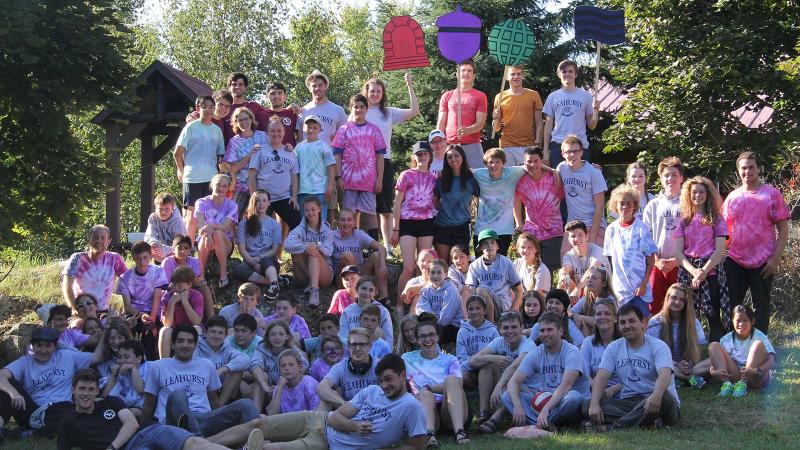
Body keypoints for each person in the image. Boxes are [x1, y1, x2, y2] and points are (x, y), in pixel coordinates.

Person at [202, 353, 427, 450]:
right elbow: (337, 417)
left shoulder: (411, 407)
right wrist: (356, 426)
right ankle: (200, 443)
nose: (384, 385)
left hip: (327, 445)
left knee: (265, 448)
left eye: (389, 380)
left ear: (401, 374)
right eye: (381, 380)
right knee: (258, 423)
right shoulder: (372, 391)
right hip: (318, 420)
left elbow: (418, 447)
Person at [58, 369, 239, 450]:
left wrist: (112, 447)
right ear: (73, 389)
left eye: (91, 389)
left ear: (97, 391)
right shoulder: (70, 423)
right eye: (82, 389)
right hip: (130, 448)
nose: (86, 394)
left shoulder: (110, 402)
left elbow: (131, 424)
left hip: (150, 430)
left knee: (194, 444)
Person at [142, 324, 260, 438]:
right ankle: (200, 441)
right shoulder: (157, 367)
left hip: (204, 418)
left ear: (195, 345)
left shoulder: (206, 365)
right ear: (172, 344)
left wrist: (220, 417)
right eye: (180, 341)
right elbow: (149, 403)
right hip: (174, 421)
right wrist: (143, 432)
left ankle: (259, 441)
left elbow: (213, 400)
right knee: (178, 395)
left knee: (246, 404)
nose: (185, 345)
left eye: (190, 341)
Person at [583, 303, 680, 431]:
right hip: (629, 402)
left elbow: (665, 375)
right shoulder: (615, 347)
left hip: (657, 400)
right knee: (586, 405)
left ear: (642, 323)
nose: (627, 326)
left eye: (632, 321)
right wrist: (594, 404)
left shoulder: (658, 346)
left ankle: (613, 427)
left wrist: (655, 396)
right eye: (623, 322)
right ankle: (646, 422)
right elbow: (601, 377)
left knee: (665, 397)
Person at [722, 151, 789, 334]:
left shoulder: (771, 195)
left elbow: (783, 230)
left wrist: (775, 259)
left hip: (763, 262)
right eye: (743, 168)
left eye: (751, 167)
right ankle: (731, 347)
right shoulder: (732, 198)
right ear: (738, 171)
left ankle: (760, 349)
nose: (747, 171)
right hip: (735, 261)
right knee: (731, 307)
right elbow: (724, 232)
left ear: (758, 169)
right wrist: (720, 255)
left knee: (761, 308)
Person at [0, 328, 103, 438]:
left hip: (62, 408)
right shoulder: (25, 362)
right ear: (33, 346)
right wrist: (14, 393)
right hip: (34, 412)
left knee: (72, 415)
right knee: (7, 385)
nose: (43, 350)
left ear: (55, 346)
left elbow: (97, 357)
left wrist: (106, 334)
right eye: (39, 345)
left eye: (48, 346)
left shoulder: (67, 356)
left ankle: (33, 433)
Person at [503, 312, 587, 437]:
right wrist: (517, 406)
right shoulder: (536, 353)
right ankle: (546, 426)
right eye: (542, 330)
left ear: (560, 331)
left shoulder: (572, 351)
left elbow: (566, 386)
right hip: (544, 402)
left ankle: (536, 425)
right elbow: (513, 382)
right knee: (506, 396)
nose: (545, 334)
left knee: (573, 397)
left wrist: (545, 410)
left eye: (549, 330)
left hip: (565, 401)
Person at [363, 75, 420, 255]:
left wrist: (409, 85)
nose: (375, 94)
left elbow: (414, 110)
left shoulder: (388, 112)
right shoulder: (359, 111)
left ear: (383, 94)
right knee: (366, 207)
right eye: (372, 91)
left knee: (385, 207)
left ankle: (387, 247)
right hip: (363, 162)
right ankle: (368, 245)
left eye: (379, 91)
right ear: (366, 92)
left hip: (384, 162)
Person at [402, 312, 471, 446]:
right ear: (417, 339)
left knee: (451, 380)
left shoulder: (450, 359)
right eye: (423, 336)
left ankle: (460, 432)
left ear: (438, 337)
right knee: (426, 395)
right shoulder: (406, 358)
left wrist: (430, 387)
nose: (427, 339)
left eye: (431, 335)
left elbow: (458, 384)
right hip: (425, 407)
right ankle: (429, 435)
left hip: (451, 409)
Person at [675, 176, 730, 342]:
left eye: (701, 192)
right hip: (688, 272)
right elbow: (678, 253)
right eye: (694, 192)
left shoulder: (717, 219)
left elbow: (720, 250)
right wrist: (694, 272)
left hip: (710, 271)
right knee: (688, 317)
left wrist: (703, 272)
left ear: (708, 194)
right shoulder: (684, 220)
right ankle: (692, 353)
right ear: (688, 195)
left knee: (712, 315)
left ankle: (717, 352)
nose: (697, 195)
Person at [472, 311, 536, 434]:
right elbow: (473, 361)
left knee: (510, 382)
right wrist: (493, 358)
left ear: (522, 328)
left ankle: (496, 419)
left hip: (525, 387)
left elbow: (515, 366)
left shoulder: (528, 344)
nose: (509, 331)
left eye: (514, 327)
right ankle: (483, 414)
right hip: (504, 385)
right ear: (500, 330)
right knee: (487, 366)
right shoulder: (499, 341)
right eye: (505, 328)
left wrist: (499, 386)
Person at [332, 93, 386, 233]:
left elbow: (380, 156)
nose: (359, 109)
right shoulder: (344, 129)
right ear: (351, 108)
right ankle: (347, 247)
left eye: (362, 106)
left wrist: (379, 179)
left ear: (366, 109)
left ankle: (371, 251)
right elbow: (337, 155)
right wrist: (338, 177)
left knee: (370, 215)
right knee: (347, 216)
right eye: (355, 107)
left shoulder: (374, 130)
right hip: (348, 182)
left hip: (368, 182)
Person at [392, 142, 438, 304]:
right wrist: (395, 229)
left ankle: (422, 303)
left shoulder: (434, 178)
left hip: (427, 223)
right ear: (414, 157)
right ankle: (399, 304)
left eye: (425, 154)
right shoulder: (406, 175)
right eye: (419, 154)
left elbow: (436, 202)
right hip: (407, 223)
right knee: (409, 267)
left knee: (424, 267)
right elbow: (397, 204)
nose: (422, 157)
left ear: (430, 156)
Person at [174, 95, 225, 240]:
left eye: (211, 107)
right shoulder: (191, 127)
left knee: (210, 214)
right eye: (204, 107)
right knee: (192, 215)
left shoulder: (217, 130)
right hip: (193, 177)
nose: (208, 110)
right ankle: (187, 248)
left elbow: (221, 156)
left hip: (211, 178)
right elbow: (177, 153)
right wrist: (182, 172)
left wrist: (224, 174)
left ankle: (207, 248)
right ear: (198, 109)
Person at [604, 184, 658, 318]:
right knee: (623, 323)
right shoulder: (611, 229)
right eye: (622, 203)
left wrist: (644, 285)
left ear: (634, 206)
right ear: (615, 205)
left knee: (641, 323)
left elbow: (651, 260)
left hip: (639, 289)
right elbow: (609, 262)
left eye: (629, 204)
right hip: (620, 290)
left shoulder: (641, 228)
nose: (625, 207)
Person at [642, 156, 685, 314]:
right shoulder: (653, 205)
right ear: (661, 178)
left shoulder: (688, 203)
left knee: (681, 308)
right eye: (666, 175)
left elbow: (694, 237)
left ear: (681, 178)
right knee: (656, 308)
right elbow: (646, 238)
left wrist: (677, 261)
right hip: (657, 264)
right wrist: (657, 260)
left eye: (674, 175)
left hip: (681, 264)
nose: (670, 178)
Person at [646, 283, 710, 388]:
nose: (677, 302)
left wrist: (690, 363)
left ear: (686, 303)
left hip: (689, 366)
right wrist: (675, 364)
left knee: (713, 361)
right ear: (667, 299)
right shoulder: (655, 322)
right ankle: (689, 379)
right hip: (665, 364)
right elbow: (652, 352)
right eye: (673, 298)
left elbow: (699, 349)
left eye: (681, 300)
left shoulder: (694, 323)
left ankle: (676, 378)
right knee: (657, 363)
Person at [709, 304, 776, 398]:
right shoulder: (726, 339)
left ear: (752, 321)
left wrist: (756, 370)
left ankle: (743, 385)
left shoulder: (760, 336)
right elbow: (714, 361)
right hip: (737, 374)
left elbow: (771, 360)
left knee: (757, 344)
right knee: (713, 345)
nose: (741, 324)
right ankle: (727, 385)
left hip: (756, 376)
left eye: (745, 320)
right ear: (732, 321)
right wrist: (713, 372)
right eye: (738, 320)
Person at [514, 146, 564, 270]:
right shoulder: (521, 180)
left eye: (536, 161)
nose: (532, 164)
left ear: (541, 161)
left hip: (553, 230)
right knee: (532, 268)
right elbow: (516, 202)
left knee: (549, 268)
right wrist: (519, 223)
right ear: (524, 163)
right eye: (529, 161)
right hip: (532, 231)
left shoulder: (554, 178)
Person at [556, 135, 607, 255]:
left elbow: (600, 206)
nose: (572, 155)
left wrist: (592, 235)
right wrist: (555, 170)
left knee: (598, 262)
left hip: (594, 223)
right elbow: (550, 170)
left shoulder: (594, 172)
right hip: (574, 224)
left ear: (581, 152)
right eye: (568, 152)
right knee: (565, 257)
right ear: (563, 154)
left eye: (575, 151)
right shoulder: (562, 168)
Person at [248, 116, 301, 230]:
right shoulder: (259, 150)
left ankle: (296, 247)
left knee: (298, 226)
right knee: (260, 230)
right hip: (264, 198)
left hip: (284, 197)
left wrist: (294, 196)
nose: (276, 134)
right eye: (272, 131)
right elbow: (252, 176)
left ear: (284, 132)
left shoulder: (291, 152)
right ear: (267, 133)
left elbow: (294, 177)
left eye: (279, 131)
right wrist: (254, 197)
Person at [542, 59, 600, 166]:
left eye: (570, 71)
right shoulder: (553, 97)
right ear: (559, 75)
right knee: (558, 180)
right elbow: (548, 125)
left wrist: (596, 111)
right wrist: (545, 150)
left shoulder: (585, 96)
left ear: (576, 74)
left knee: (580, 180)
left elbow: (592, 125)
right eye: (564, 72)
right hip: (558, 146)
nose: (567, 74)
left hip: (579, 146)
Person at [472, 148, 527, 255]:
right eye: (490, 162)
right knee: (481, 263)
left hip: (504, 229)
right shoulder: (479, 174)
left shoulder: (512, 173)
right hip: (482, 229)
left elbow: (531, 166)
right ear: (485, 164)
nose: (494, 165)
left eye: (498, 162)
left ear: (504, 163)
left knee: (500, 265)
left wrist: (553, 171)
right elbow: (462, 171)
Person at [62, 224, 127, 313]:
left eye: (102, 238)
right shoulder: (77, 258)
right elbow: (67, 286)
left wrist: (128, 307)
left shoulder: (115, 259)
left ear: (108, 241)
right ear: (89, 239)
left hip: (104, 311)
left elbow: (128, 282)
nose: (98, 241)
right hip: (82, 311)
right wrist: (74, 309)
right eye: (95, 237)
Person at [456, 296, 500, 425]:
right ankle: (463, 414)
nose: (474, 312)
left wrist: (482, 360)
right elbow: (462, 361)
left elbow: (497, 356)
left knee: (486, 366)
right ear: (467, 312)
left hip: (488, 370)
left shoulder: (492, 331)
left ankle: (484, 412)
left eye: (478, 308)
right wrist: (477, 361)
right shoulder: (462, 332)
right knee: (459, 375)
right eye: (471, 309)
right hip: (470, 372)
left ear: (484, 311)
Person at [437, 59, 488, 169]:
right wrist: (439, 143)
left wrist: (468, 130)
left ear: (474, 75)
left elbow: (480, 123)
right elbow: (441, 123)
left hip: (472, 144)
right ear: (457, 74)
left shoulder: (480, 96)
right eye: (463, 70)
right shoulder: (447, 96)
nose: (466, 73)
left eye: (469, 71)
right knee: (449, 178)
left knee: (479, 177)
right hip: (450, 145)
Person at [434, 145, 480, 263]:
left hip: (462, 226)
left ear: (462, 157)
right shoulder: (441, 178)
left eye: (456, 156)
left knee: (457, 263)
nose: (453, 159)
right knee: (443, 262)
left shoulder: (471, 179)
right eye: (449, 157)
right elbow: (435, 201)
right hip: (442, 226)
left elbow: (482, 198)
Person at [465, 228, 523, 322]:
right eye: (485, 243)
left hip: (503, 305)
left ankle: (490, 325)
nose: (489, 246)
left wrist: (514, 309)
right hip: (482, 306)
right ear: (480, 247)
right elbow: (471, 291)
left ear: (498, 246)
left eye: (492, 242)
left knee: (481, 289)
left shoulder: (506, 263)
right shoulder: (474, 266)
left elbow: (519, 290)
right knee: (473, 291)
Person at [285, 196, 334, 306]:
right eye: (307, 210)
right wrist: (307, 246)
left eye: (313, 209)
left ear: (319, 209)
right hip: (303, 276)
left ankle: (314, 291)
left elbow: (328, 252)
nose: (310, 213)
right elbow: (287, 244)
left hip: (324, 275)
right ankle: (311, 281)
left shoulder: (328, 231)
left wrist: (316, 246)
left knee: (313, 252)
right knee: (297, 251)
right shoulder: (300, 228)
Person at [250, 321, 309, 412]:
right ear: (268, 337)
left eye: (281, 334)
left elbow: (304, 364)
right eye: (273, 334)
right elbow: (255, 364)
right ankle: (255, 417)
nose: (277, 338)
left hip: (287, 386)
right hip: (268, 389)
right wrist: (264, 385)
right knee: (261, 378)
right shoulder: (262, 348)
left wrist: (290, 378)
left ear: (287, 336)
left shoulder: (292, 349)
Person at [330, 208, 389, 300]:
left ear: (354, 222)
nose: (346, 223)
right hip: (342, 277)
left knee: (376, 255)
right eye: (342, 220)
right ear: (337, 222)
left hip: (359, 274)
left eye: (349, 220)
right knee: (347, 255)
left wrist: (382, 264)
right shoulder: (332, 236)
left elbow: (381, 248)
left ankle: (384, 298)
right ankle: (357, 295)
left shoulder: (359, 234)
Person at [116, 240, 168, 342]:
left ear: (150, 256)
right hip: (135, 313)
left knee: (149, 335)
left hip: (154, 312)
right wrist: (141, 315)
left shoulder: (158, 271)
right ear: (133, 257)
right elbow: (127, 306)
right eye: (138, 258)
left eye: (145, 258)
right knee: (127, 331)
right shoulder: (125, 278)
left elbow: (156, 298)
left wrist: (151, 320)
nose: (142, 262)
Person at [234, 190, 282, 297]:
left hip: (269, 263)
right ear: (252, 203)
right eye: (257, 201)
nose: (261, 204)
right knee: (239, 270)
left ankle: (274, 287)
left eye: (264, 200)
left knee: (266, 260)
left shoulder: (275, 225)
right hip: (249, 262)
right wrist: (253, 263)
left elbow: (275, 249)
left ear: (269, 203)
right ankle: (272, 281)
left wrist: (260, 259)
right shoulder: (243, 224)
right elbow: (242, 249)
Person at [492, 65, 544, 165]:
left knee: (527, 178)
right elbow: (497, 128)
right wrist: (495, 118)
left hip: (528, 145)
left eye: (519, 74)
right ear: (507, 77)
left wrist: (538, 143)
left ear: (522, 76)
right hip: (507, 145)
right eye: (512, 74)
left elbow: (539, 122)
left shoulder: (533, 95)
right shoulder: (499, 97)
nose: (516, 77)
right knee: (509, 178)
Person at [193, 316, 251, 406]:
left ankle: (220, 407)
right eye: (213, 332)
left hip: (220, 392)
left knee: (237, 371)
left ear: (225, 335)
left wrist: (223, 369)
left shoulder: (226, 348)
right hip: (200, 388)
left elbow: (245, 359)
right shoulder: (196, 346)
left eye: (220, 333)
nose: (216, 336)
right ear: (205, 332)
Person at [317, 328, 379, 410]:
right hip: (348, 413)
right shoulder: (340, 367)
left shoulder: (379, 365)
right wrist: (342, 403)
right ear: (349, 346)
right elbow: (321, 387)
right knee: (325, 400)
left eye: (362, 344)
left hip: (375, 412)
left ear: (370, 346)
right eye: (354, 345)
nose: (357, 348)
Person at [195, 173, 238, 289]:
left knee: (218, 233)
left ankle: (223, 276)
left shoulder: (232, 205)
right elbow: (200, 224)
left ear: (228, 188)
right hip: (205, 242)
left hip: (225, 242)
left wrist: (210, 228)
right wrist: (208, 233)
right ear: (211, 185)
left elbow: (224, 227)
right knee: (206, 235)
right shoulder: (201, 202)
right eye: (218, 185)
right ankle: (202, 275)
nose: (221, 188)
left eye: (224, 186)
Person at [224, 106, 267, 216]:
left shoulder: (263, 136)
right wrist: (250, 154)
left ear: (251, 119)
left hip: (262, 186)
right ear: (236, 123)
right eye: (240, 120)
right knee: (232, 218)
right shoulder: (234, 142)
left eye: (246, 119)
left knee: (260, 220)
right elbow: (232, 169)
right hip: (242, 187)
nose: (244, 122)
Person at [162, 234, 214, 319]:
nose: (182, 251)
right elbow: (168, 284)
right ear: (173, 249)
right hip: (173, 289)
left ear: (190, 250)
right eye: (179, 248)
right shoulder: (167, 262)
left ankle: (211, 319)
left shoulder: (194, 262)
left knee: (205, 289)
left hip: (191, 288)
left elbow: (196, 282)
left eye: (186, 248)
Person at [158, 267, 204, 358]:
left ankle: (195, 364)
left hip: (191, 328)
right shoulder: (167, 296)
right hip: (175, 329)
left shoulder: (196, 296)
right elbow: (167, 324)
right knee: (164, 331)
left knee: (197, 329)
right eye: (174, 284)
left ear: (189, 284)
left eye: (179, 285)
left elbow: (196, 321)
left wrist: (185, 302)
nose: (175, 288)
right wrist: (171, 303)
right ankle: (164, 364)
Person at [416, 259, 465, 345]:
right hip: (433, 324)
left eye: (439, 273)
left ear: (445, 274)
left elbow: (445, 319)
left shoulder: (451, 290)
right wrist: (428, 321)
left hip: (452, 327)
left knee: (434, 333)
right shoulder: (426, 290)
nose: (435, 276)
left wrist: (431, 322)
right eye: (433, 272)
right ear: (428, 273)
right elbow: (422, 310)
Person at [295, 115, 336, 218]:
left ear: (320, 129)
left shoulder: (324, 146)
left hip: (320, 191)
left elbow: (331, 167)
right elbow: (295, 170)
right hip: (303, 191)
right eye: (309, 127)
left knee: (320, 222)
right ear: (304, 129)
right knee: (304, 222)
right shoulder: (299, 147)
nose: (311, 130)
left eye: (315, 127)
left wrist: (330, 186)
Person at [580, 299, 622, 400]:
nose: (602, 317)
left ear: (615, 318)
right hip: (596, 392)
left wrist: (613, 390)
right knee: (585, 406)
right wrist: (595, 387)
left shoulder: (624, 342)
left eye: (607, 313)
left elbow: (634, 376)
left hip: (621, 392)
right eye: (599, 314)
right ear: (594, 319)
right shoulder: (588, 342)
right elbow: (584, 374)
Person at [558, 220, 610, 298]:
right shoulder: (569, 255)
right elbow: (565, 269)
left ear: (587, 237)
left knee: (592, 278)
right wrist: (562, 276)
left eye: (580, 235)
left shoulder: (597, 250)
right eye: (573, 236)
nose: (577, 239)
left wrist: (577, 289)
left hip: (603, 293)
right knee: (563, 281)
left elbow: (592, 269)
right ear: (569, 240)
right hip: (583, 294)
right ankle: (564, 306)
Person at [339, 276, 394, 349]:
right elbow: (342, 337)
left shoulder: (383, 311)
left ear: (375, 293)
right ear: (357, 289)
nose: (367, 293)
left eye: (371, 290)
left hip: (376, 353)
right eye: (364, 288)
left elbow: (388, 339)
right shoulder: (348, 312)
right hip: (353, 351)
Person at [100, 340, 150, 418]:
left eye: (126, 357)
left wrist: (133, 369)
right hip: (125, 410)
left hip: (145, 412)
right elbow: (105, 397)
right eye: (119, 357)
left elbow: (141, 390)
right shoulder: (121, 374)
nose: (122, 360)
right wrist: (114, 375)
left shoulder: (149, 368)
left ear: (139, 358)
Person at [296, 70, 348, 144]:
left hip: (330, 154)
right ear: (309, 89)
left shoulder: (338, 110)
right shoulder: (302, 111)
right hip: (307, 155)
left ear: (325, 86)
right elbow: (299, 138)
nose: (317, 88)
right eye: (314, 86)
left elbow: (345, 136)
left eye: (320, 85)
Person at [267, 349, 320, 415]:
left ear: (300, 367)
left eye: (291, 364)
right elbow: (271, 414)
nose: (287, 368)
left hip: (308, 421)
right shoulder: (280, 387)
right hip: (287, 423)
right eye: (283, 366)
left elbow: (317, 412)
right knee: (262, 418)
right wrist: (279, 388)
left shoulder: (309, 383)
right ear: (279, 370)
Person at [569, 265, 613, 336]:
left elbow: (601, 321)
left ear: (604, 283)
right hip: (590, 337)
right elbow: (568, 312)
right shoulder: (586, 299)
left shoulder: (610, 300)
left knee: (582, 321)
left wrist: (580, 317)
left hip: (607, 337)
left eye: (594, 278)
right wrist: (574, 316)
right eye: (588, 277)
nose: (589, 280)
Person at [145, 193, 187, 262]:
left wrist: (164, 250)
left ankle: (167, 264)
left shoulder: (178, 222)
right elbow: (150, 235)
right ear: (155, 208)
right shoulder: (153, 218)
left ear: (172, 207)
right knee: (145, 247)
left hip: (175, 251)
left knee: (180, 250)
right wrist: (154, 244)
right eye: (160, 209)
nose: (163, 212)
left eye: (167, 208)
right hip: (159, 250)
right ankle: (159, 264)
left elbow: (181, 244)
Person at [398, 248, 437, 316]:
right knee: (418, 297)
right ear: (417, 262)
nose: (425, 264)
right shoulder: (413, 281)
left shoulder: (440, 278)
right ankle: (412, 323)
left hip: (436, 313)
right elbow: (406, 299)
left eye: (429, 261)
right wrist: (412, 290)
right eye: (422, 260)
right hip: (418, 314)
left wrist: (412, 289)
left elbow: (436, 285)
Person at [260, 81, 299, 146]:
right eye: (273, 93)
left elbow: (300, 137)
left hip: (289, 154)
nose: (276, 96)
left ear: (285, 96)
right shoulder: (260, 116)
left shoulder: (293, 114)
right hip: (266, 155)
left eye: (280, 93)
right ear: (267, 97)